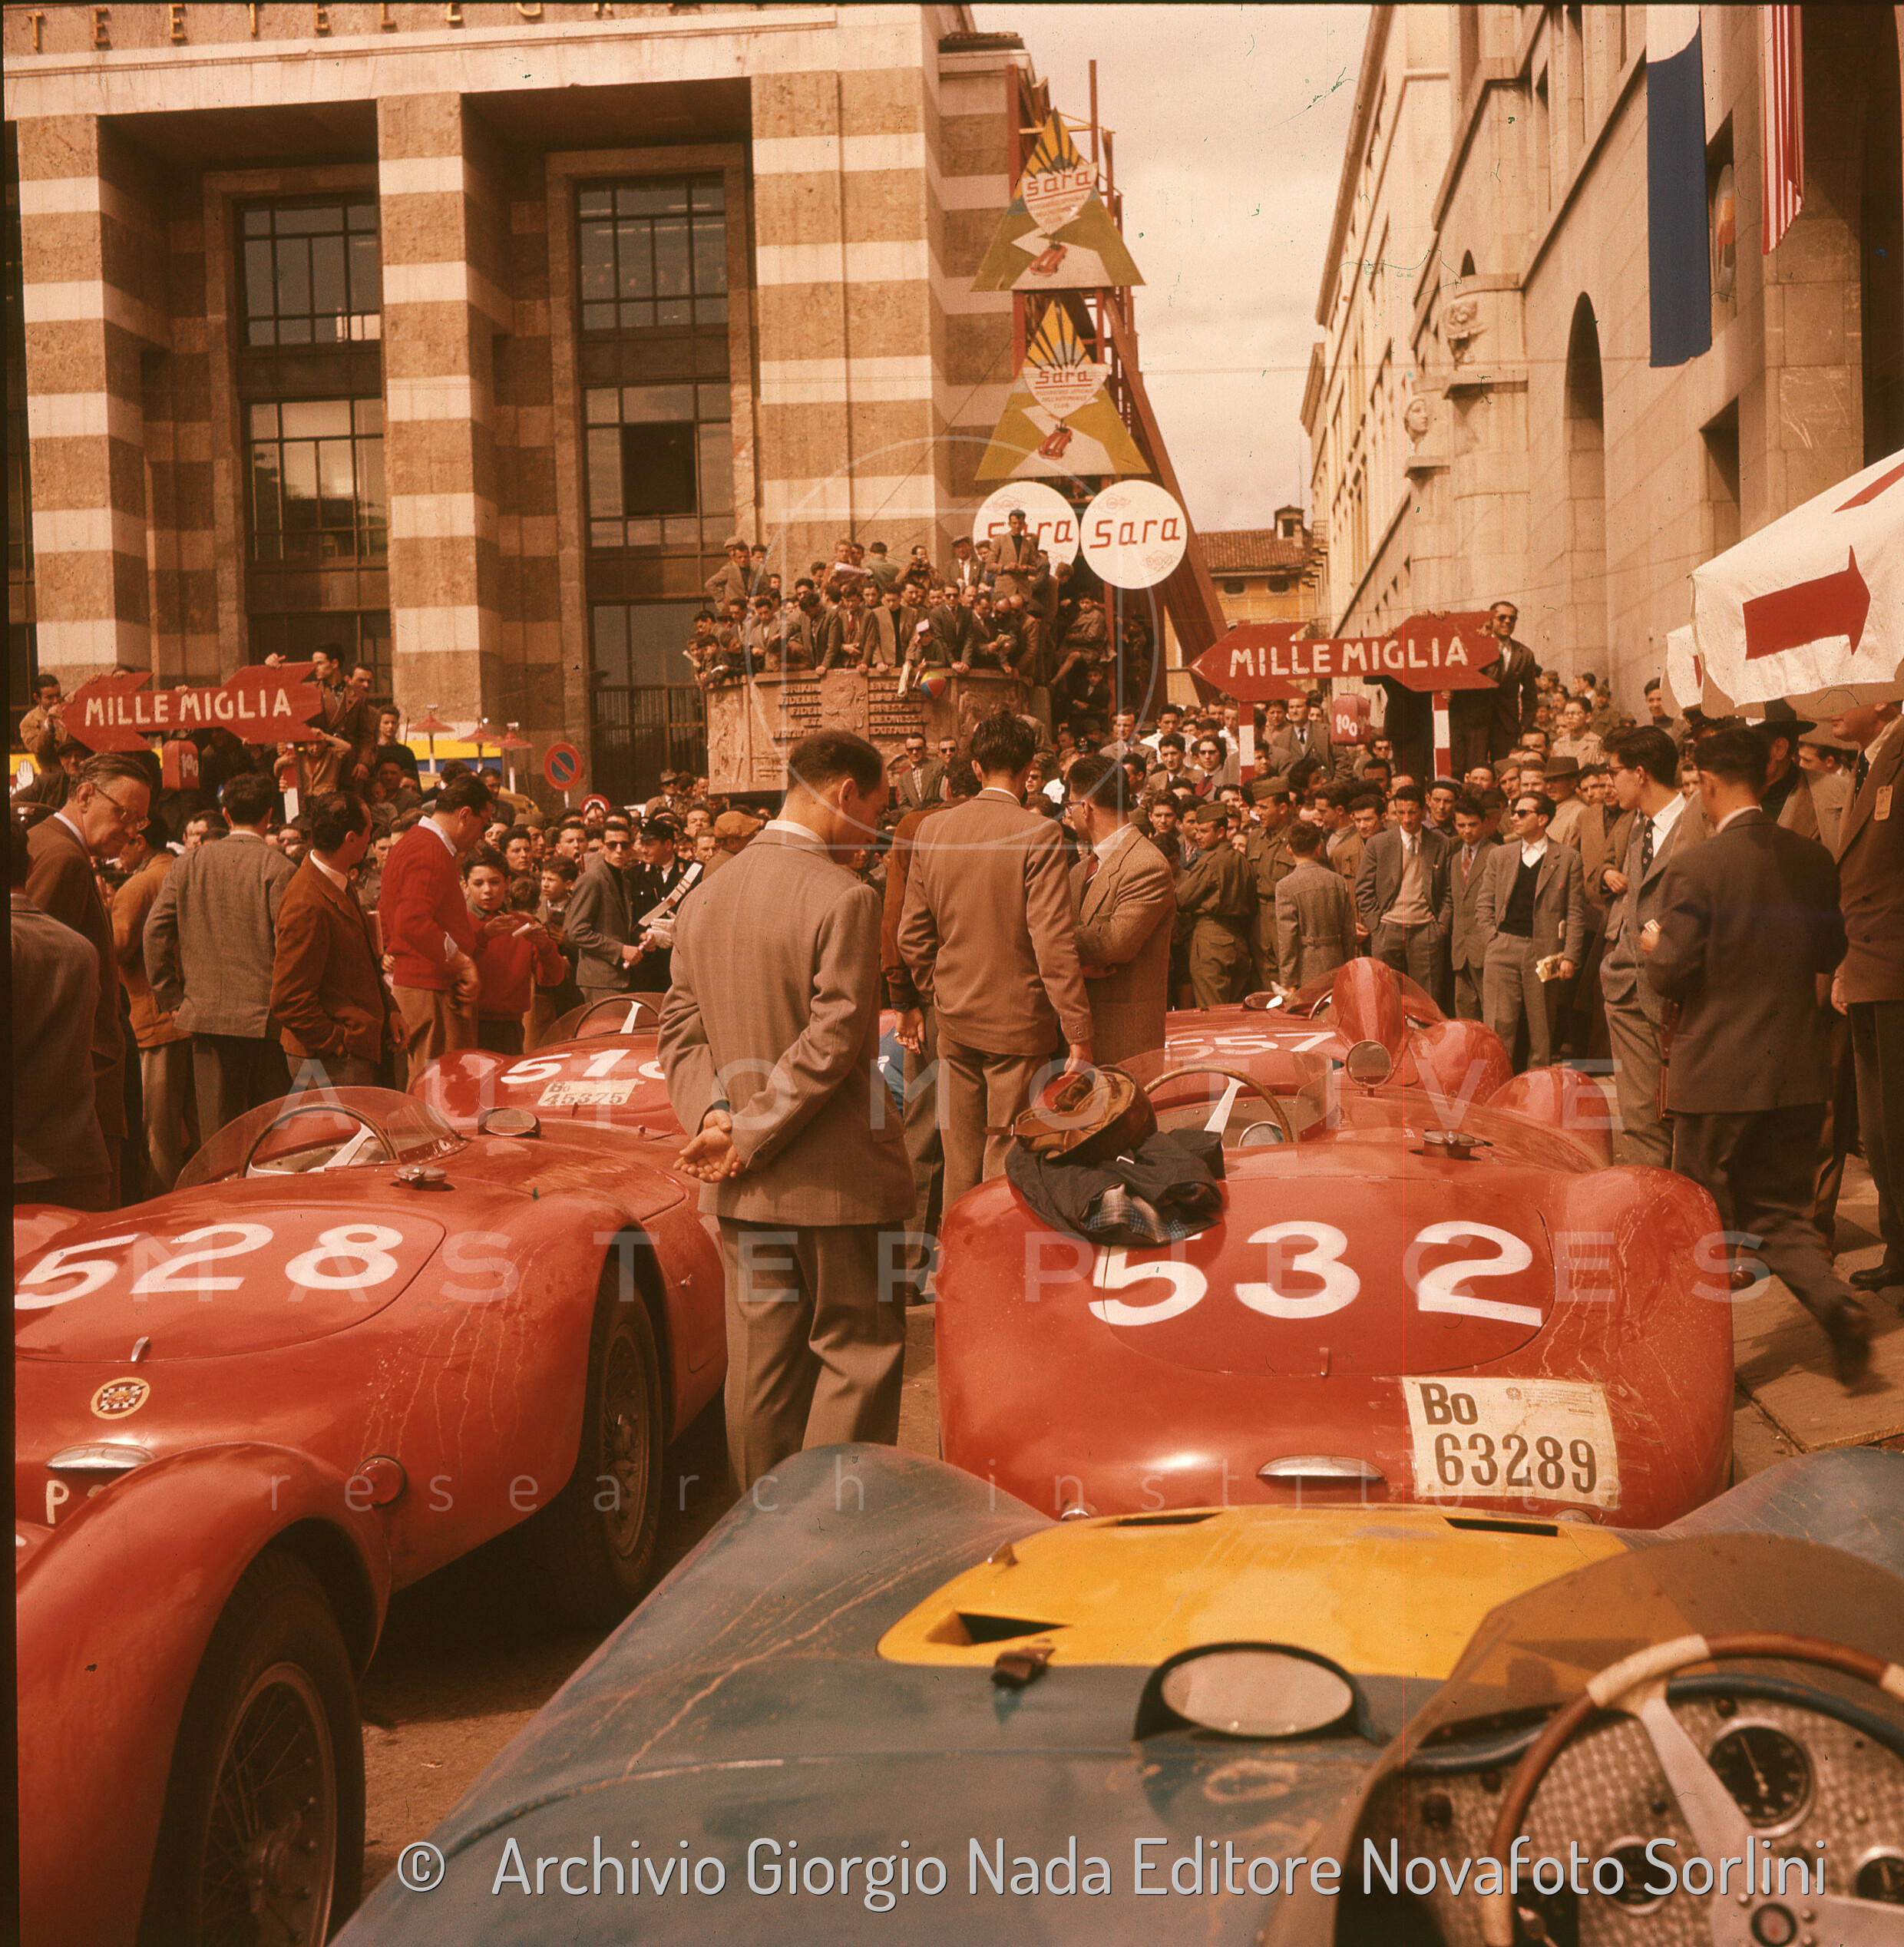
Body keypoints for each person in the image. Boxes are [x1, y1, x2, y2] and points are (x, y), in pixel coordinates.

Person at [659, 729, 913, 1491]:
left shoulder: (706, 896)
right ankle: (831, 1532)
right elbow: (834, 1038)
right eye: (878, 810)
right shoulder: (844, 896)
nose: (875, 830)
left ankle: (760, 1528)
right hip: (837, 1182)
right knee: (856, 1357)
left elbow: (679, 1028)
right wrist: (747, 1131)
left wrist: (715, 1117)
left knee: (760, 1369)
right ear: (844, 792)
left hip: (742, 1183)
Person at [1644, 726, 1871, 1384]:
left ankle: (1704, 1369)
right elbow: (1831, 952)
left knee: (1703, 1223)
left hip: (1716, 1072)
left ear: (1709, 785)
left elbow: (1671, 973)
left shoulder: (1697, 866)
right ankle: (1836, 1306)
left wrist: (1657, 947)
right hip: (1795, 1069)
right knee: (1778, 1213)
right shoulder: (1811, 858)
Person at [899, 709, 1092, 1205]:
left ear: (976, 767)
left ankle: (956, 1249)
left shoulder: (933, 829)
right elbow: (1052, 942)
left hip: (954, 1016)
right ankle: (994, 1251)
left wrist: (939, 989)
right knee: (1006, 1156)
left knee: (959, 1158)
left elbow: (912, 936)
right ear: (1030, 770)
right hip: (1017, 1021)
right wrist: (1078, 1031)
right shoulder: (1039, 834)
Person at [144, 769, 295, 1145]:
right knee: (273, 1136)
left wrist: (171, 997)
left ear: (225, 815)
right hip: (266, 1022)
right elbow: (290, 946)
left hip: (205, 1015)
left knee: (218, 1137)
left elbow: (155, 932)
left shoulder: (188, 864)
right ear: (269, 815)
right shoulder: (279, 868)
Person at [1598, 726, 1707, 1167]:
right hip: (1626, 991)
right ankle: (1651, 1203)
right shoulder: (1636, 824)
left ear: (1640, 773)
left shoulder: (1699, 821)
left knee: (1687, 1120)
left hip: (1677, 995)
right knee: (1640, 1121)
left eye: (1613, 772)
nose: (1609, 783)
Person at [1831, 698, 1904, 1295]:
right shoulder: (1863, 764)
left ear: (1880, 696)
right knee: (1880, 1135)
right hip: (1864, 967)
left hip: (1897, 971)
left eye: (1844, 690)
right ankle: (1898, 1248)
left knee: (1899, 1130)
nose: (1830, 704)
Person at [269, 791, 399, 1089]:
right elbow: (288, 999)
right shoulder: (307, 901)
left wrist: (391, 1009)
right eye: (369, 833)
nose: (370, 840)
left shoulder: (335, 879)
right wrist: (337, 1043)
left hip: (348, 1052)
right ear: (351, 839)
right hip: (329, 1061)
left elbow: (362, 963)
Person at [376, 771, 488, 1083]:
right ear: (465, 815)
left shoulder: (416, 843)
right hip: (432, 990)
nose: (482, 835)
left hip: (426, 986)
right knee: (440, 1093)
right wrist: (462, 962)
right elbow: (412, 921)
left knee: (435, 1089)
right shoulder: (429, 848)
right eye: (484, 823)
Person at [1065, 752, 1175, 1064]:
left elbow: (1116, 943)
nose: (1068, 815)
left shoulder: (1146, 864)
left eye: (1070, 806)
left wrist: (1049, 942)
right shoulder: (1079, 870)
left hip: (1124, 1043)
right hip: (1081, 1038)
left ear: (1085, 808)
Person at [1473, 789, 1588, 1072]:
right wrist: (1492, 939)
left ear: (1542, 819)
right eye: (1514, 812)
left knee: (1542, 1029)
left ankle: (1537, 1087)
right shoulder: (1500, 855)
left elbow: (1575, 911)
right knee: (1498, 1026)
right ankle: (1497, 1083)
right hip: (1502, 946)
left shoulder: (1568, 858)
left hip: (1544, 952)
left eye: (1522, 813)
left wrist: (1570, 956)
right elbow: (1484, 903)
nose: (1514, 817)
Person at [111, 814, 193, 1192]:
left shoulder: (139, 885)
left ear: (140, 843)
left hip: (153, 1017)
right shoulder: (184, 871)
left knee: (159, 1130)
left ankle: (164, 1202)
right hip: (189, 1014)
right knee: (193, 1122)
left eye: (123, 844)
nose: (117, 854)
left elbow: (116, 948)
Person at [1354, 783, 1453, 1004]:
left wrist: (1441, 926)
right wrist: (1376, 925)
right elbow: (1363, 887)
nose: (1406, 819)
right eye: (1400, 813)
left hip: (1426, 930)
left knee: (1427, 1000)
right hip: (1388, 928)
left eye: (1411, 812)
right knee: (1384, 997)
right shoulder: (1379, 843)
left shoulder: (1441, 843)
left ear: (1424, 811)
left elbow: (1448, 890)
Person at [463, 851, 567, 1056]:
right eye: (478, 884)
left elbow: (552, 978)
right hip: (468, 1022)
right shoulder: (460, 923)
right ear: (465, 886)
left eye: (494, 882)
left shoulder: (523, 924)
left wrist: (545, 946)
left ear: (507, 883)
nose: (487, 890)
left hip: (511, 1026)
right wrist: (482, 937)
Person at [1174, 802, 1253, 1007]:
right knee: (1236, 1011)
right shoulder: (1242, 860)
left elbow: (1181, 899)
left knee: (1213, 1011)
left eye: (1204, 831)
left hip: (1211, 940)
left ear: (1220, 832)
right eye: (1197, 831)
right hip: (1239, 941)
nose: (1198, 836)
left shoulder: (1210, 862)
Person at [1451, 599, 1539, 770]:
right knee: (1476, 770)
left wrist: (1524, 725)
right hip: (1476, 724)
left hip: (1506, 726)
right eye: (1502, 617)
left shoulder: (1524, 654)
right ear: (1491, 620)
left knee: (1505, 770)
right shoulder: (1474, 645)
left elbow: (1530, 695)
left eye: (1512, 619)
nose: (1507, 622)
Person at [564, 820, 644, 1008]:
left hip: (619, 978)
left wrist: (640, 937)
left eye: (624, 845)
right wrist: (620, 950)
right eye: (612, 845)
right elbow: (577, 932)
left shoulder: (623, 880)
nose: (619, 850)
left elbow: (617, 927)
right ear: (602, 848)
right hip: (598, 981)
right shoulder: (592, 880)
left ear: (631, 848)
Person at [1274, 817, 1359, 992]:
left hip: (1305, 967)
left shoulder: (1285, 886)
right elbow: (1349, 932)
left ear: (1289, 849)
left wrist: (1288, 980)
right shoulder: (1338, 881)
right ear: (1318, 848)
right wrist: (1347, 965)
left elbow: (1287, 939)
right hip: (1336, 961)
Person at [1447, 795, 1499, 1022]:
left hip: (1486, 947)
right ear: (1454, 825)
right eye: (1461, 825)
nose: (1467, 831)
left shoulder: (1497, 854)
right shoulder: (1453, 859)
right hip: (1461, 949)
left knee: (1493, 1012)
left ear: (1484, 822)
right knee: (1465, 1014)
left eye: (1472, 824)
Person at [889, 733, 944, 813]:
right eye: (910, 749)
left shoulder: (938, 767)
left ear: (926, 749)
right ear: (906, 752)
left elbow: (943, 796)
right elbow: (903, 805)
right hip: (915, 818)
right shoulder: (904, 778)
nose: (914, 752)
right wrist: (915, 813)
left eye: (918, 749)